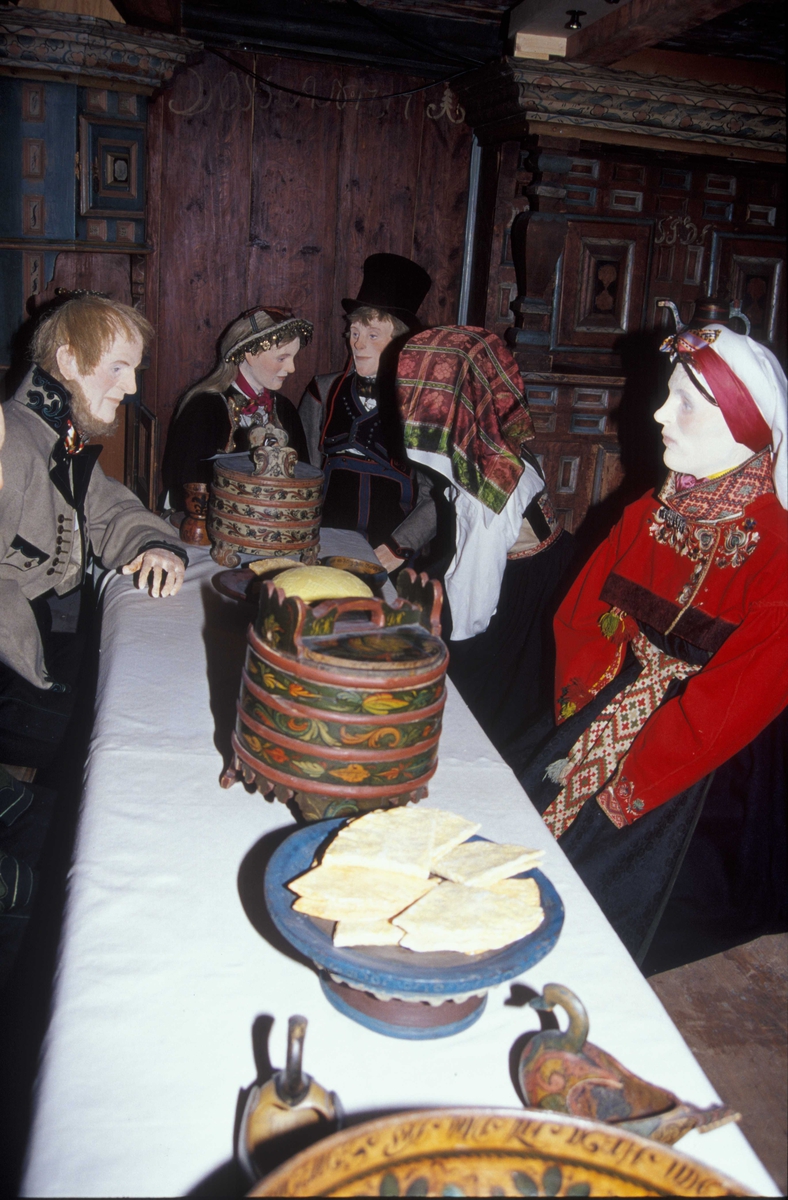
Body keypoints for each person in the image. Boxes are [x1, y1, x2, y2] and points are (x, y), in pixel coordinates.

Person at [519, 322, 787, 964]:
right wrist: (585, 701)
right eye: (668, 394)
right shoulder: (650, 510)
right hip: (614, 695)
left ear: (742, 425)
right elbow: (585, 613)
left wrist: (637, 770)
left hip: (712, 758)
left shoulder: (777, 553)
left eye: (687, 402)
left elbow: (738, 698)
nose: (659, 413)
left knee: (620, 895)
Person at [0, 294, 187, 912]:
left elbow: (111, 509)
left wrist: (157, 546)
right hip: (15, 675)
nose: (131, 387)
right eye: (117, 367)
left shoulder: (59, 435)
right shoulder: (13, 440)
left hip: (44, 652)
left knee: (146, 698)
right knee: (137, 738)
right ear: (67, 360)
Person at [395, 326, 574, 755]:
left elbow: (474, 600)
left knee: (483, 707)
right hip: (546, 574)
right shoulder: (499, 446)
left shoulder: (486, 487)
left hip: (528, 597)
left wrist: (451, 651)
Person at [298, 253, 435, 557]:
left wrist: (398, 548)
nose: (358, 345)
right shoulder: (323, 391)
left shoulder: (423, 406)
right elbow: (302, 473)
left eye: (373, 335)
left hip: (389, 552)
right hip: (324, 545)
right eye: (355, 333)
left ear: (400, 342)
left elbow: (434, 496)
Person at [163, 307, 312, 511]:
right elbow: (183, 482)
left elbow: (303, 478)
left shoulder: (286, 410)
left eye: (293, 358)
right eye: (282, 358)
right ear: (251, 354)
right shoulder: (203, 407)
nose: (292, 368)